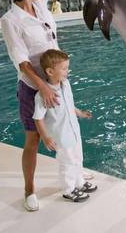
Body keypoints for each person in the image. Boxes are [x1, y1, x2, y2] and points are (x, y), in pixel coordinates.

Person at [1, 0, 68, 212]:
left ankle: (72, 171)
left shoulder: (40, 3)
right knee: (34, 138)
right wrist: (41, 86)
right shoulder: (10, 20)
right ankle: (29, 189)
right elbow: (22, 61)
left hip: (56, 80)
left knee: (65, 130)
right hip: (33, 87)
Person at [33, 49, 97, 202]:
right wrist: (45, 137)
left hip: (73, 131)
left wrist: (80, 113)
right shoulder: (43, 95)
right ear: (49, 71)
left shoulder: (66, 84)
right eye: (64, 68)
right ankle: (68, 189)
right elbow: (38, 118)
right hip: (60, 136)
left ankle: (79, 182)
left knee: (77, 158)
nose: (67, 71)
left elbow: (70, 105)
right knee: (67, 163)